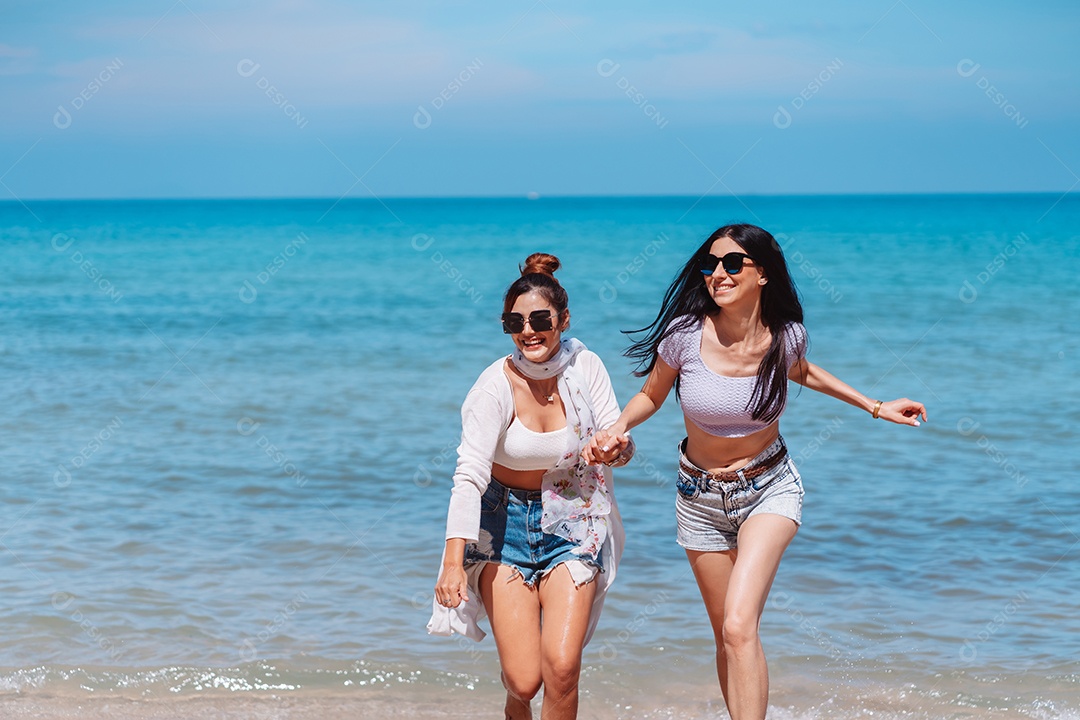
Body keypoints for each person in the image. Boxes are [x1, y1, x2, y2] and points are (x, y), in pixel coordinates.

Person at [582, 224, 926, 720]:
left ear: (762, 273)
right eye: (710, 264)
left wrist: (875, 406)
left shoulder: (786, 337)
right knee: (728, 634)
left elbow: (802, 369)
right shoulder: (684, 335)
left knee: (740, 626)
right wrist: (617, 426)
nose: (717, 273)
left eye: (732, 263)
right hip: (698, 499)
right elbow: (653, 394)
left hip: (769, 490)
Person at [428, 252, 632, 720]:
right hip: (502, 527)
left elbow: (617, 436)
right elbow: (468, 477)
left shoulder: (586, 367)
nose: (528, 330)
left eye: (540, 318)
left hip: (574, 518)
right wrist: (452, 563)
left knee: (562, 670)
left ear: (562, 319)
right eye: (514, 322)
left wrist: (616, 449)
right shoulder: (492, 387)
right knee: (524, 681)